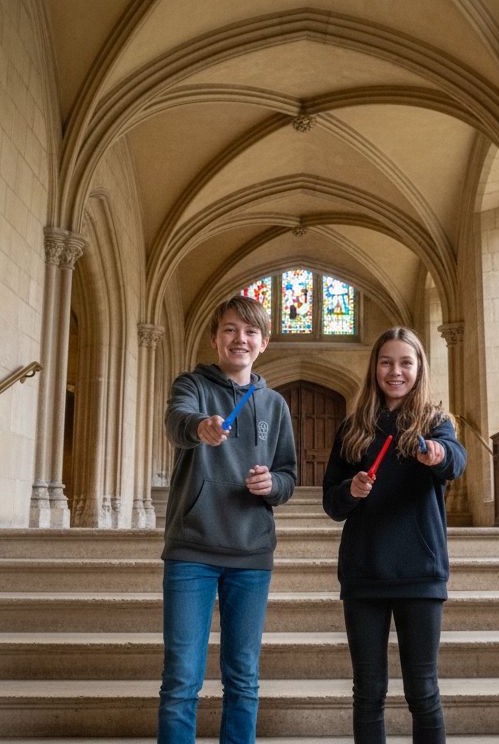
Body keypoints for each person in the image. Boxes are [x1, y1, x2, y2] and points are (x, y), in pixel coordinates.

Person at [157, 295, 297, 743]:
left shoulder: (274, 404)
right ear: (215, 339)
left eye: (251, 331)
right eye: (231, 329)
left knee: (243, 679)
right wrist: (201, 426)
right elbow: (177, 420)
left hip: (251, 553)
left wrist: (271, 485)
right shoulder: (192, 385)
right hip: (192, 550)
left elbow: (288, 475)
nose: (240, 339)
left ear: (264, 343)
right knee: (181, 680)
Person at [322, 326, 467, 744]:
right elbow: (332, 503)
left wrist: (437, 454)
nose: (396, 371)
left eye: (406, 362)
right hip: (364, 572)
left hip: (420, 573)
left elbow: (455, 461)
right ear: (375, 368)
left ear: (419, 368)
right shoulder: (353, 428)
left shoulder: (436, 424)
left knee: (423, 691)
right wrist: (350, 491)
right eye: (386, 362)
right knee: (368, 693)